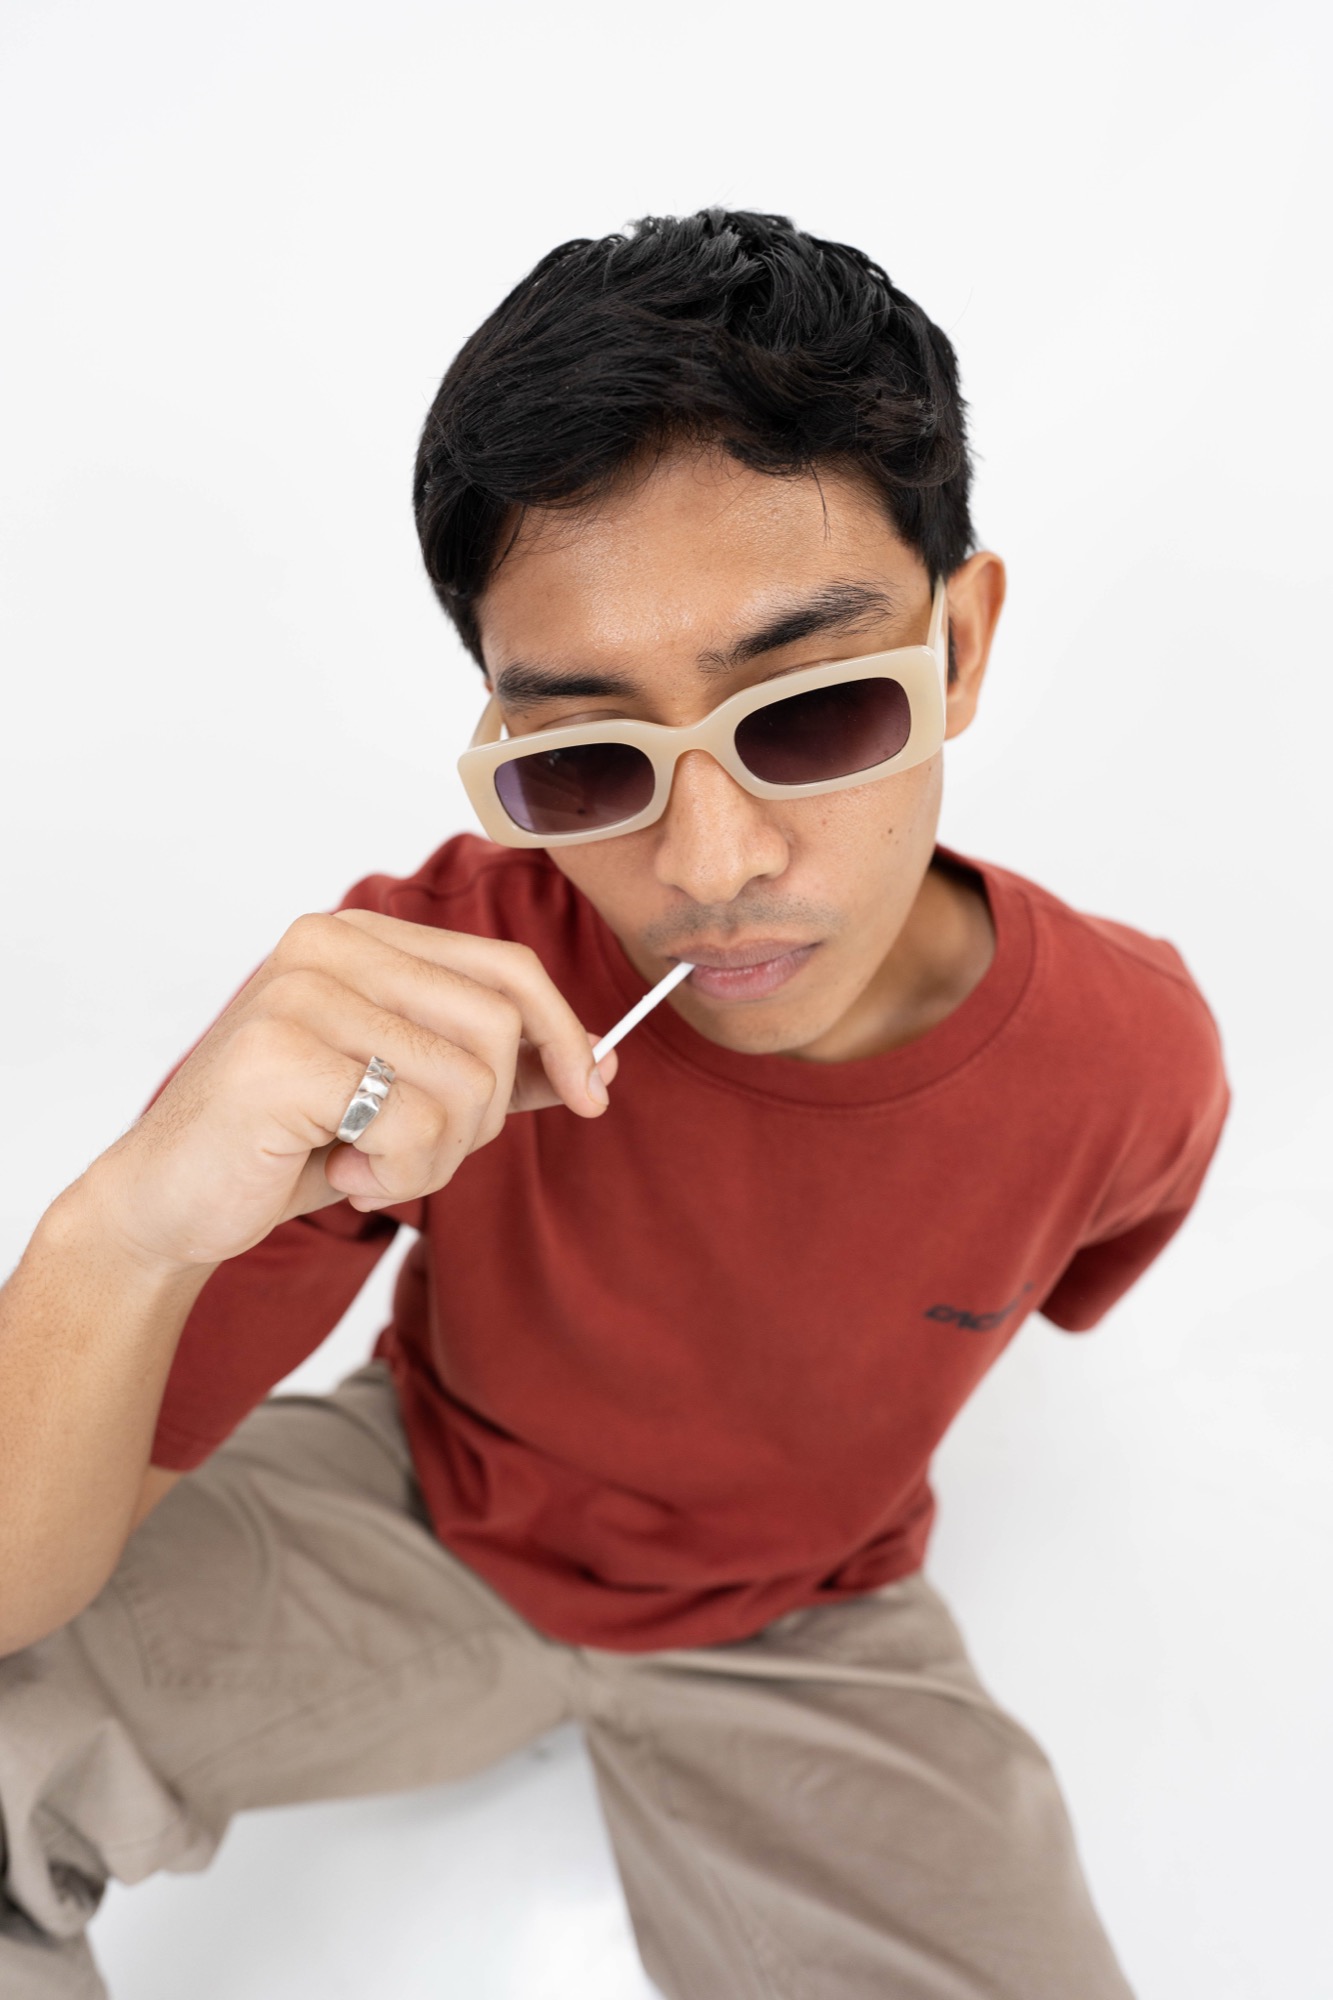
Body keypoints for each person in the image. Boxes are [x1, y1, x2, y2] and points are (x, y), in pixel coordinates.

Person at [0, 209, 1229, 2000]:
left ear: (958, 650)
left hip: (815, 1619)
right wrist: (126, 1224)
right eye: (589, 759)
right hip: (421, 1513)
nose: (710, 864)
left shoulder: (1132, 1063)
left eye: (806, 712)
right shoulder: (406, 1004)